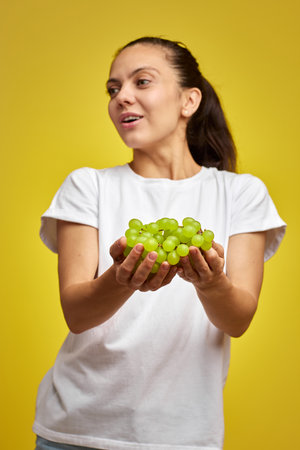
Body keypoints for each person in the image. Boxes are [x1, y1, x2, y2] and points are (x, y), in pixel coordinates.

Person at [33, 37, 286, 450]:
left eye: (141, 82)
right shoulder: (87, 186)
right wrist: (121, 279)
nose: (122, 98)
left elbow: (237, 320)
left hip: (182, 436)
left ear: (189, 101)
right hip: (75, 432)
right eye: (113, 89)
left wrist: (211, 284)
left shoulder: (242, 194)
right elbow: (76, 314)